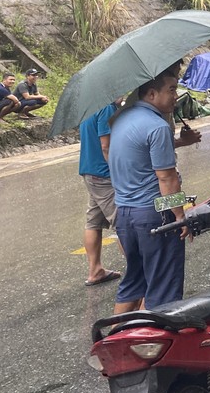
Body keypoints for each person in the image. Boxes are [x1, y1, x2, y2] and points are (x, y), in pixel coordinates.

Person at [109, 72, 190, 313]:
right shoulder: (157, 126)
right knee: (162, 289)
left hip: (124, 213)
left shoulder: (121, 118)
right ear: (152, 94)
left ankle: (116, 342)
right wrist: (179, 215)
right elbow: (166, 178)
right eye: (172, 90)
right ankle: (152, 347)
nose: (176, 96)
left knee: (133, 284)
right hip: (155, 214)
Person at [79, 101, 123, 287]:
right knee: (122, 221)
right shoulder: (105, 107)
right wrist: (119, 172)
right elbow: (106, 146)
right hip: (105, 174)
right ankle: (140, 270)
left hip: (90, 171)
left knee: (93, 221)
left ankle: (95, 270)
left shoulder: (89, 106)